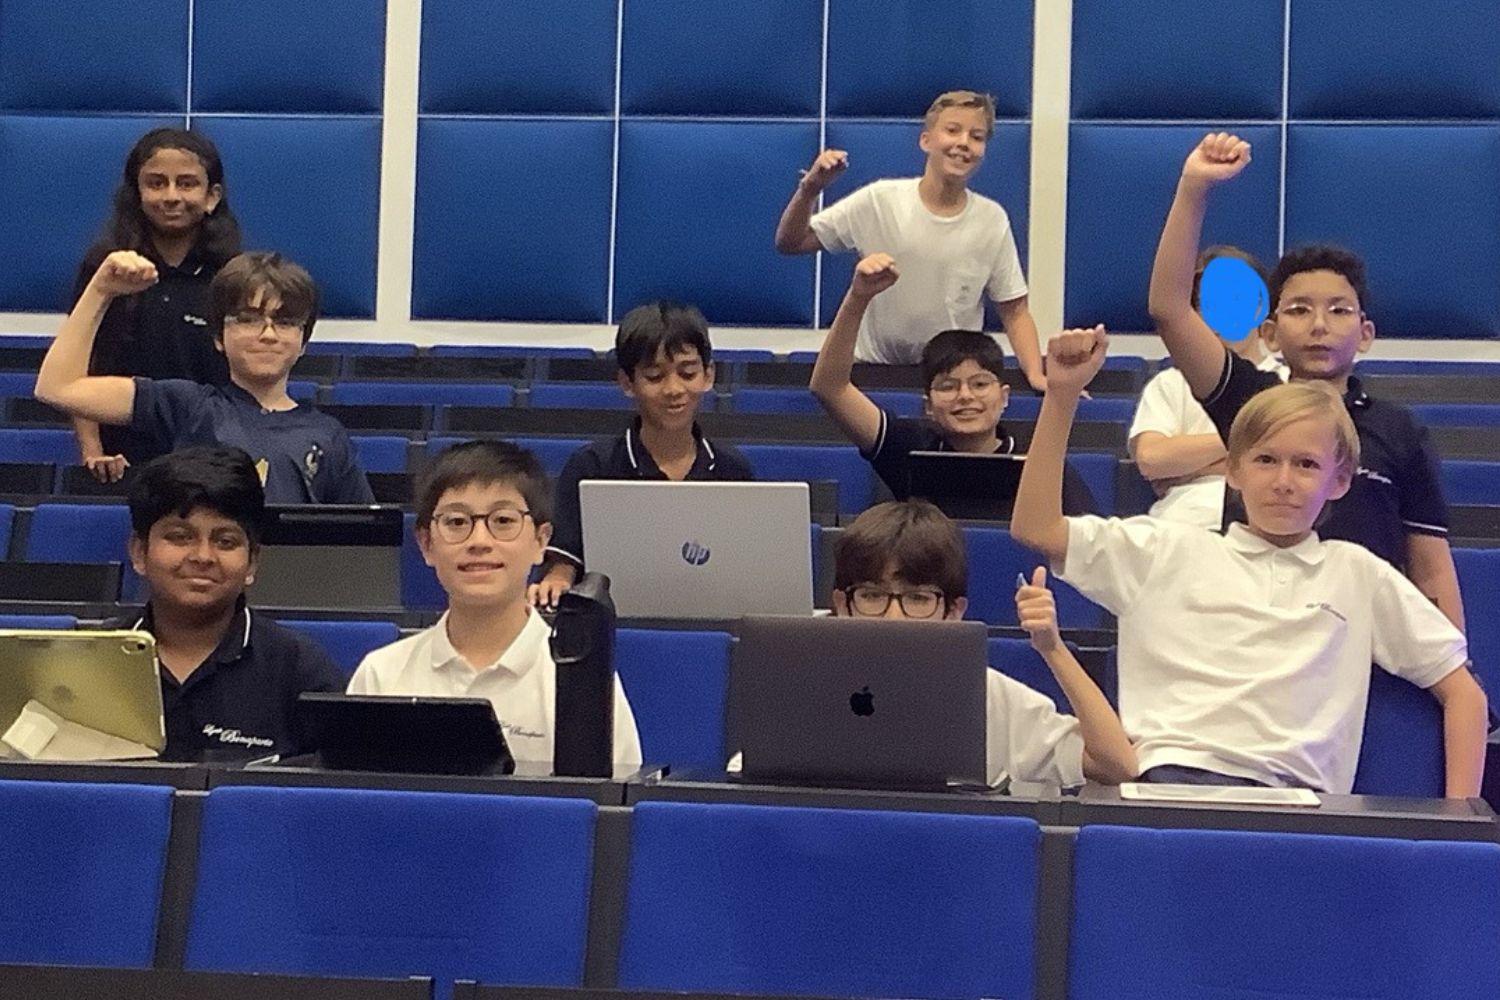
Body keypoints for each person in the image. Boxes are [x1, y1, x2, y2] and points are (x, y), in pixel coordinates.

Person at [1011, 327, 1487, 796]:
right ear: (1233, 469)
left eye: (1306, 465)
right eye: (1265, 460)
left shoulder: (1358, 573)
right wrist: (1062, 395)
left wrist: (1459, 818)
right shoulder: (1162, 549)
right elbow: (1037, 527)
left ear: (1339, 481)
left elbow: (1464, 692)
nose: (1283, 481)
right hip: (1164, 788)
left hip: (1298, 805)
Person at [1146, 132, 1462, 627]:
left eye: (1339, 310)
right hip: (1252, 634)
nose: (1319, 325)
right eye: (1298, 310)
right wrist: (1194, 187)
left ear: (1365, 334)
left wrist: (1453, 663)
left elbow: (1431, 567)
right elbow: (1169, 309)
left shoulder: (1400, 430)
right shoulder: (1249, 402)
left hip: (1361, 641)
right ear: (1270, 332)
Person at [729, 499, 1136, 789]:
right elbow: (745, 776)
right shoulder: (802, 681)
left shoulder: (987, 693)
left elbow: (1116, 764)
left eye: (918, 599)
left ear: (954, 611)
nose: (894, 618)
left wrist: (1051, 647)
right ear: (842, 604)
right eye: (872, 596)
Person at [350, 440, 643, 769]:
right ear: (426, 544)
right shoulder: (381, 675)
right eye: (456, 522)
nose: (479, 541)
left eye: (503, 521)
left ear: (541, 541)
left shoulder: (583, 686)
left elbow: (606, 797)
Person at [36, 250, 375, 505]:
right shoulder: (187, 405)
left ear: (304, 342)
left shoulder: (328, 435)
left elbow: (364, 542)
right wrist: (100, 290)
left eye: (285, 322)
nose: (268, 334)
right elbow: (57, 388)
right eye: (248, 319)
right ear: (217, 336)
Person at [775, 90, 1043, 384]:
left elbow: (1015, 310)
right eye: (952, 131)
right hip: (871, 373)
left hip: (952, 383)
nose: (964, 143)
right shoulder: (880, 199)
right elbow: (792, 242)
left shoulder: (992, 219)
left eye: (976, 137)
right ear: (926, 140)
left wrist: (1036, 375)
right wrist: (810, 189)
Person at [102, 446, 344, 761]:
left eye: (225, 541)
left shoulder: (300, 670)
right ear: (139, 552)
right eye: (180, 537)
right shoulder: (87, 661)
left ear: (252, 561)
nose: (203, 557)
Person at [810, 254, 1095, 515]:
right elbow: (830, 388)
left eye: (980, 384)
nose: (965, 396)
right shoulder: (908, 448)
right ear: (928, 405)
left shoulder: (1040, 464)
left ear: (1004, 396)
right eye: (948, 386)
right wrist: (858, 298)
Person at [530, 301, 752, 609]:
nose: (674, 389)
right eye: (655, 376)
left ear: (708, 375)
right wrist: (557, 580)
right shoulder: (591, 466)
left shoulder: (733, 469)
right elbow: (564, 562)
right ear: (627, 382)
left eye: (688, 373)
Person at [71, 127, 241, 482]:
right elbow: (83, 362)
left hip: (212, 459)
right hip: (123, 460)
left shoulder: (233, 273)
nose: (171, 196)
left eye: (187, 183)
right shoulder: (106, 270)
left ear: (212, 196)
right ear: (137, 193)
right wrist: (93, 450)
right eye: (156, 183)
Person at [1130, 245, 1286, 528]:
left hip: (1263, 528)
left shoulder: (1290, 382)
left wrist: (1187, 469)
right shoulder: (1170, 382)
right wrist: (1253, 441)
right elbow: (1152, 459)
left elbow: (1290, 462)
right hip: (1178, 525)